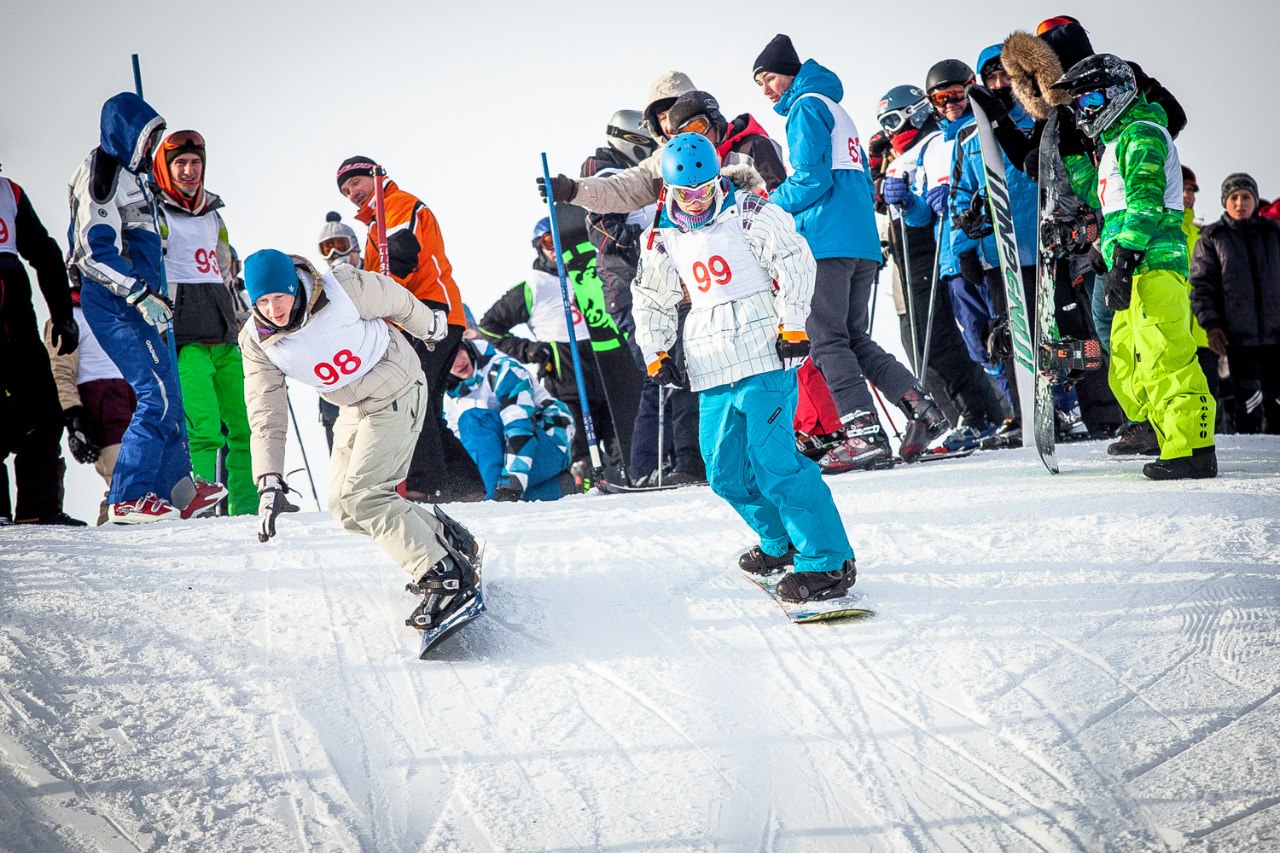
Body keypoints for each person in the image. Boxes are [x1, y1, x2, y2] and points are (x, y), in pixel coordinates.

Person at [633, 133, 855, 603]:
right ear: (669, 190)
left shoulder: (750, 212)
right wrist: (657, 350)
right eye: (685, 194)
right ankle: (782, 543)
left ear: (717, 179)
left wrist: (793, 325)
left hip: (762, 354)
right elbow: (651, 295)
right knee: (724, 472)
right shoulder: (661, 234)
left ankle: (827, 560)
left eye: (705, 189)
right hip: (711, 363)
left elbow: (795, 259)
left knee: (775, 462)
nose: (696, 202)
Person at [239, 248, 480, 631]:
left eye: (280, 297)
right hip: (353, 408)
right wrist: (268, 479)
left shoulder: (342, 287)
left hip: (398, 388)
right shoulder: (257, 342)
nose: (274, 309)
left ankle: (444, 574)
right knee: (344, 508)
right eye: (262, 301)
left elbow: (397, 299)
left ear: (294, 287)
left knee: (366, 496)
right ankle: (448, 540)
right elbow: (265, 411)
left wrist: (430, 328)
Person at [752, 34, 948, 469]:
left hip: (825, 241)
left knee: (825, 341)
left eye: (769, 78)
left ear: (789, 73)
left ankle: (863, 434)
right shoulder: (834, 107)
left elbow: (810, 179)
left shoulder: (805, 107)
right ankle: (921, 407)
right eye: (760, 83)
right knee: (854, 338)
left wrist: (765, 207)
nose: (766, 90)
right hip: (858, 241)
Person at [1053, 55, 1216, 479]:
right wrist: (1103, 253)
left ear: (1116, 93)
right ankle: (1161, 432)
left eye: (1089, 97)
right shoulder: (1115, 143)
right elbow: (1102, 197)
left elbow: (1146, 202)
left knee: (1166, 356)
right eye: (1079, 101)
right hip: (1129, 264)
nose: (1084, 107)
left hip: (1153, 264)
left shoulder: (1142, 134)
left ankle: (1193, 450)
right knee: (1127, 361)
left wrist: (1123, 258)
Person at [68, 92, 226, 522]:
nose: (151, 144)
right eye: (145, 136)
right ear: (124, 133)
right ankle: (127, 495)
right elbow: (93, 253)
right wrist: (138, 294)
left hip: (150, 303)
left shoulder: (137, 176)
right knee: (153, 395)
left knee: (171, 397)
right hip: (118, 302)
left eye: (155, 135)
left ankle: (176, 489)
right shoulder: (100, 173)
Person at [336, 155, 485, 503]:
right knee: (428, 402)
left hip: (431, 313)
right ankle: (465, 484)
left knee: (411, 397)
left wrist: (382, 295)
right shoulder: (374, 224)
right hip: (415, 317)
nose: (352, 193)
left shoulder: (397, 205)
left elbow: (404, 252)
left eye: (356, 183)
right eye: (346, 191)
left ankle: (426, 482)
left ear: (376, 175)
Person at [873, 85, 1007, 450]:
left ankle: (984, 410)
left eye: (894, 119)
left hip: (936, 249)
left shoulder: (936, 143)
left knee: (945, 337)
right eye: (884, 122)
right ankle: (974, 410)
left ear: (915, 113)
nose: (891, 130)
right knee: (923, 341)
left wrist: (920, 200)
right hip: (912, 249)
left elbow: (945, 195)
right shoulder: (900, 156)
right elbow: (908, 207)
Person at [151, 130, 254, 515]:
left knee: (246, 425)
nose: (190, 171)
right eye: (181, 164)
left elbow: (224, 269)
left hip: (225, 332)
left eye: (196, 163)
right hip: (186, 335)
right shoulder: (155, 211)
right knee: (204, 426)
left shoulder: (213, 214)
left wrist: (242, 319)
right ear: (166, 167)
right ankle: (199, 506)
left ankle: (247, 505)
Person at [478, 218, 620, 482]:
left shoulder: (591, 271)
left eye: (560, 241)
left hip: (602, 359)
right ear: (538, 247)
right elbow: (489, 326)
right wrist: (528, 350)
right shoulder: (534, 284)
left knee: (617, 436)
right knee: (578, 442)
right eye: (547, 242)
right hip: (563, 368)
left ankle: (625, 479)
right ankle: (582, 483)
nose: (555, 248)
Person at [0, 166, 85, 526]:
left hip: (17, 325)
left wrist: (63, 315)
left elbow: (45, 252)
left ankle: (39, 510)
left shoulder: (9, 192)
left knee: (45, 414)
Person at [1190, 173, 1280, 434]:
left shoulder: (1274, 234)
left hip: (1276, 337)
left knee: (1277, 408)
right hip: (1239, 339)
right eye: (1233, 198)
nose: (1240, 203)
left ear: (1254, 199)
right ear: (1225, 202)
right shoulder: (1212, 238)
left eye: (1246, 197)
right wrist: (1212, 325)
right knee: (1248, 409)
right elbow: (1201, 287)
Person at [538, 71, 697, 213]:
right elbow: (622, 190)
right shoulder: (660, 166)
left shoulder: (721, 150)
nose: (670, 124)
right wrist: (572, 190)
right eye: (662, 118)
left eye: (677, 113)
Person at [44, 284, 137, 525]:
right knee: (125, 483)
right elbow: (61, 372)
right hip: (102, 405)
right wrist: (74, 419)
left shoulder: (121, 312)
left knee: (143, 486)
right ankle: (112, 542)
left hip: (134, 400)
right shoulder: (69, 317)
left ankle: (124, 539)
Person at [444, 337, 575, 501]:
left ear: (467, 347)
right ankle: (556, 487)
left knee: (474, 420)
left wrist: (511, 483)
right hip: (508, 453)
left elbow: (521, 426)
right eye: (449, 361)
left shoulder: (504, 369)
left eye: (458, 352)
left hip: (549, 439)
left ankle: (489, 499)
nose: (458, 362)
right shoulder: (446, 397)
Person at [666, 90, 788, 191]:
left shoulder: (755, 146)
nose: (698, 138)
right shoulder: (700, 162)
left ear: (714, 120)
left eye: (699, 127)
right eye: (688, 134)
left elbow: (779, 194)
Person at [316, 210, 362, 450]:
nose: (335, 255)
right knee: (342, 448)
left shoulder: (372, 277)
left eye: (341, 246)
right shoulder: (322, 289)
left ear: (355, 247)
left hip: (369, 375)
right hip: (337, 378)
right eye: (327, 249)